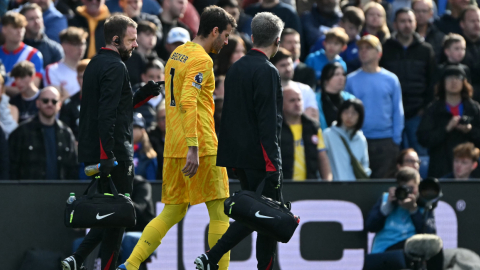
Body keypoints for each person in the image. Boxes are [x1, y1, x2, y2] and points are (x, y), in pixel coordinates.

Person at [117, 7, 236, 270]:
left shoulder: (177, 54)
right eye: (225, 35)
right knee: (219, 212)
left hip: (173, 146)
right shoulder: (202, 60)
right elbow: (188, 101)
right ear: (214, 31)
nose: (226, 42)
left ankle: (131, 265)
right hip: (201, 146)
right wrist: (194, 147)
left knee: (172, 211)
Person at [61, 14, 163, 270]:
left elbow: (116, 108)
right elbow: (107, 114)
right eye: (131, 40)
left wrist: (145, 94)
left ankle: (77, 258)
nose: (136, 45)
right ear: (116, 39)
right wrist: (108, 155)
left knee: (111, 213)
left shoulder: (95, 63)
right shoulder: (117, 66)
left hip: (100, 150)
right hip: (114, 152)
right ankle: (87, 260)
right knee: (119, 216)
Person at [194, 12, 285, 270]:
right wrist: (274, 166)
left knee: (259, 217)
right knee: (262, 218)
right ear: (277, 40)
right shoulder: (268, 71)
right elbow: (269, 124)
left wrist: (231, 159)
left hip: (239, 157)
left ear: (253, 37)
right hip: (261, 159)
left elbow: (228, 116)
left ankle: (213, 258)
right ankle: (212, 257)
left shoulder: (235, 68)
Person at [346, 34, 404, 179]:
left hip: (385, 141)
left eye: (368, 48)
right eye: (361, 48)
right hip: (358, 139)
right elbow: (346, 111)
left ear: (379, 53)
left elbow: (398, 110)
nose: (363, 51)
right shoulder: (350, 80)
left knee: (382, 184)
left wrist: (395, 139)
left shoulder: (391, 79)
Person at [380, 8, 435, 156]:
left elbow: (432, 82)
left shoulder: (426, 50)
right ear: (394, 24)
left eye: (410, 21)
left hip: (418, 112)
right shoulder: (385, 48)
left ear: (415, 23)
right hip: (391, 113)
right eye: (402, 21)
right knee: (394, 156)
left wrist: (426, 107)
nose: (406, 25)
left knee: (421, 155)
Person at [365, 167, 443, 269]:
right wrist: (387, 207)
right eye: (404, 188)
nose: (408, 193)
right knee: (405, 252)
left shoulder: (423, 205)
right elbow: (370, 226)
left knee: (435, 245)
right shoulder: (386, 200)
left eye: (412, 189)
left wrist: (414, 210)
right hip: (386, 251)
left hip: (411, 251)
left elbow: (429, 234)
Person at [417, 66, 480, 178]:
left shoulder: (473, 108)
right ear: (442, 83)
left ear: (464, 82)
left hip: (469, 169)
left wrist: (470, 130)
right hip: (440, 164)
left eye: (458, 78)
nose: (454, 81)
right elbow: (423, 138)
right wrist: (446, 129)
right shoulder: (433, 109)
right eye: (449, 78)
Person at [8, 86, 77, 180]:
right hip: (28, 192)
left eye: (54, 101)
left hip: (60, 192)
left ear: (59, 105)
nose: (49, 104)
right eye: (45, 100)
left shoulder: (66, 133)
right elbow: (12, 167)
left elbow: (73, 167)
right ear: (38, 103)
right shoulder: (21, 132)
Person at [281, 86, 332, 180]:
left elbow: (322, 158)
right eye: (292, 100)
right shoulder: (275, 128)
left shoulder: (313, 127)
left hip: (309, 187)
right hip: (283, 188)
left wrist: (328, 184)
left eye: (299, 100)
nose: (297, 104)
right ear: (281, 103)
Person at [323, 98, 370, 180]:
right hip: (333, 188)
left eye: (354, 113)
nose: (349, 116)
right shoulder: (328, 134)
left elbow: (364, 166)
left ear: (360, 116)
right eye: (346, 112)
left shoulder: (361, 139)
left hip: (354, 189)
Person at [310, 6, 365, 73]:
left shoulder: (360, 46)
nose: (354, 32)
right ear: (341, 23)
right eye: (351, 28)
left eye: (358, 29)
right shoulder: (324, 41)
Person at [0, 11, 44, 94]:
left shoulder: (34, 55)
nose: (19, 31)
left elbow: (30, 91)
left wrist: (2, 89)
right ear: (4, 29)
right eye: (15, 27)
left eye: (22, 27)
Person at [271, 48, 319, 120]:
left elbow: (313, 117)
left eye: (290, 64)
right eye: (283, 65)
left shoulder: (306, 89)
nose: (288, 69)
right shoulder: (266, 91)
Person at [44, 27, 88, 100]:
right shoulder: (53, 70)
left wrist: (66, 95)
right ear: (64, 45)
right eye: (76, 44)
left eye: (83, 44)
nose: (81, 48)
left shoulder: (90, 67)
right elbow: (56, 101)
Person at [21, 3, 64, 68]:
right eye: (31, 19)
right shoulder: (16, 47)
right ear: (23, 22)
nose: (36, 22)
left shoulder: (54, 49)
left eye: (38, 17)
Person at [317, 62, 355, 130]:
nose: (341, 78)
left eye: (343, 74)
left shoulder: (350, 99)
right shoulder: (315, 100)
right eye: (337, 74)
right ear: (326, 79)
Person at [59, 58, 90, 140]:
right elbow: (64, 132)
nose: (85, 80)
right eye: (81, 77)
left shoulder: (106, 101)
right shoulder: (68, 104)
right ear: (77, 79)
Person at [133, 59, 165, 129]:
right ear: (143, 77)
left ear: (164, 77)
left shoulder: (170, 98)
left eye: (158, 77)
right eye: (151, 77)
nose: (156, 81)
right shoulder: (133, 96)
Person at [126, 21, 160, 86]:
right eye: (147, 34)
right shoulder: (128, 59)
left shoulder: (157, 60)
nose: (151, 38)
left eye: (154, 35)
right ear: (136, 36)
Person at [460, 6, 480, 102]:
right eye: (472, 21)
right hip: (464, 101)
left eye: (478, 21)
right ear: (462, 24)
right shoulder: (455, 46)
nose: (477, 25)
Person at [132, 112, 158, 180]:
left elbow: (151, 182)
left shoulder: (149, 156)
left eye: (134, 127)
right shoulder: (122, 152)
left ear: (142, 130)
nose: (130, 130)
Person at [147, 100, 165, 180]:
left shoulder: (181, 138)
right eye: (162, 118)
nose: (166, 121)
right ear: (157, 121)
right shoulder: (151, 137)